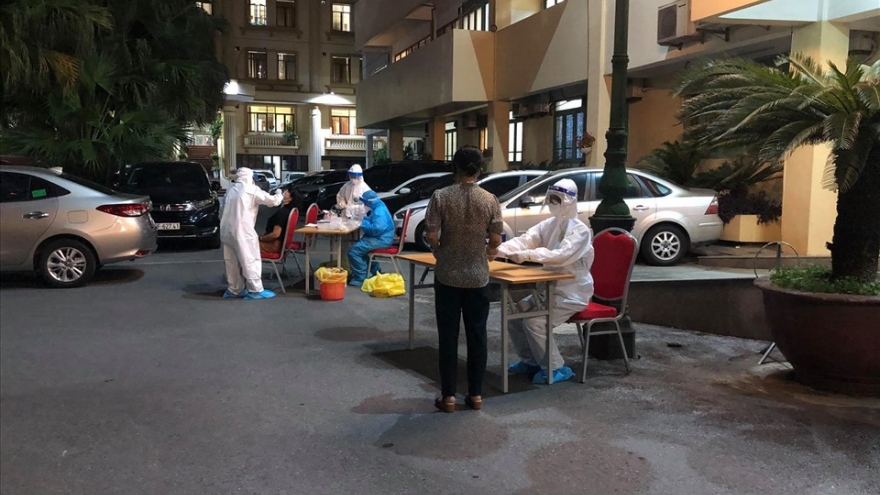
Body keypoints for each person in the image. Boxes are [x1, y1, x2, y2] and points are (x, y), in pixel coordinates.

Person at [424, 147, 503, 413]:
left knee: (448, 336)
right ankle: (476, 394)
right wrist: (488, 252)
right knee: (477, 335)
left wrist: (438, 249)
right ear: (479, 169)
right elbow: (495, 239)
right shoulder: (490, 199)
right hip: (478, 277)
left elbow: (431, 233)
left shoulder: (441, 196)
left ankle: (448, 397)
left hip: (447, 274)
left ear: (454, 168)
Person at [496, 178, 594, 384]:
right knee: (514, 315)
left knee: (535, 322)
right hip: (547, 288)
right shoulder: (548, 225)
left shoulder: (581, 231)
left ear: (569, 201)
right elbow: (525, 240)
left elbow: (561, 256)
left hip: (572, 292)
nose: (552, 203)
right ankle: (530, 360)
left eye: (557, 199)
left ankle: (556, 367)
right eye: (550, 198)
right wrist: (498, 250)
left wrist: (528, 255)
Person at [220, 167, 284, 300]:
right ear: (249, 177)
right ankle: (255, 290)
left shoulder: (231, 190)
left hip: (226, 231)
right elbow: (273, 201)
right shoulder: (251, 190)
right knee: (250, 259)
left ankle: (234, 289)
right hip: (243, 232)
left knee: (231, 262)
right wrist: (279, 193)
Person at [346, 190, 394, 286]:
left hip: (381, 239)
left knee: (354, 251)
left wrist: (362, 223)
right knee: (360, 250)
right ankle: (373, 270)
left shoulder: (379, 211)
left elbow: (376, 229)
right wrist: (363, 219)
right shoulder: (379, 207)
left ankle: (361, 278)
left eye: (365, 202)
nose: (364, 204)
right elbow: (375, 223)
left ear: (369, 202)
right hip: (382, 237)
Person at [259, 183, 302, 254]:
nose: (284, 192)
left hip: (273, 244)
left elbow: (275, 234)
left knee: (245, 245)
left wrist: (261, 238)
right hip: (280, 244)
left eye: (287, 192)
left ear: (290, 198)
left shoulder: (282, 213)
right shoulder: (290, 210)